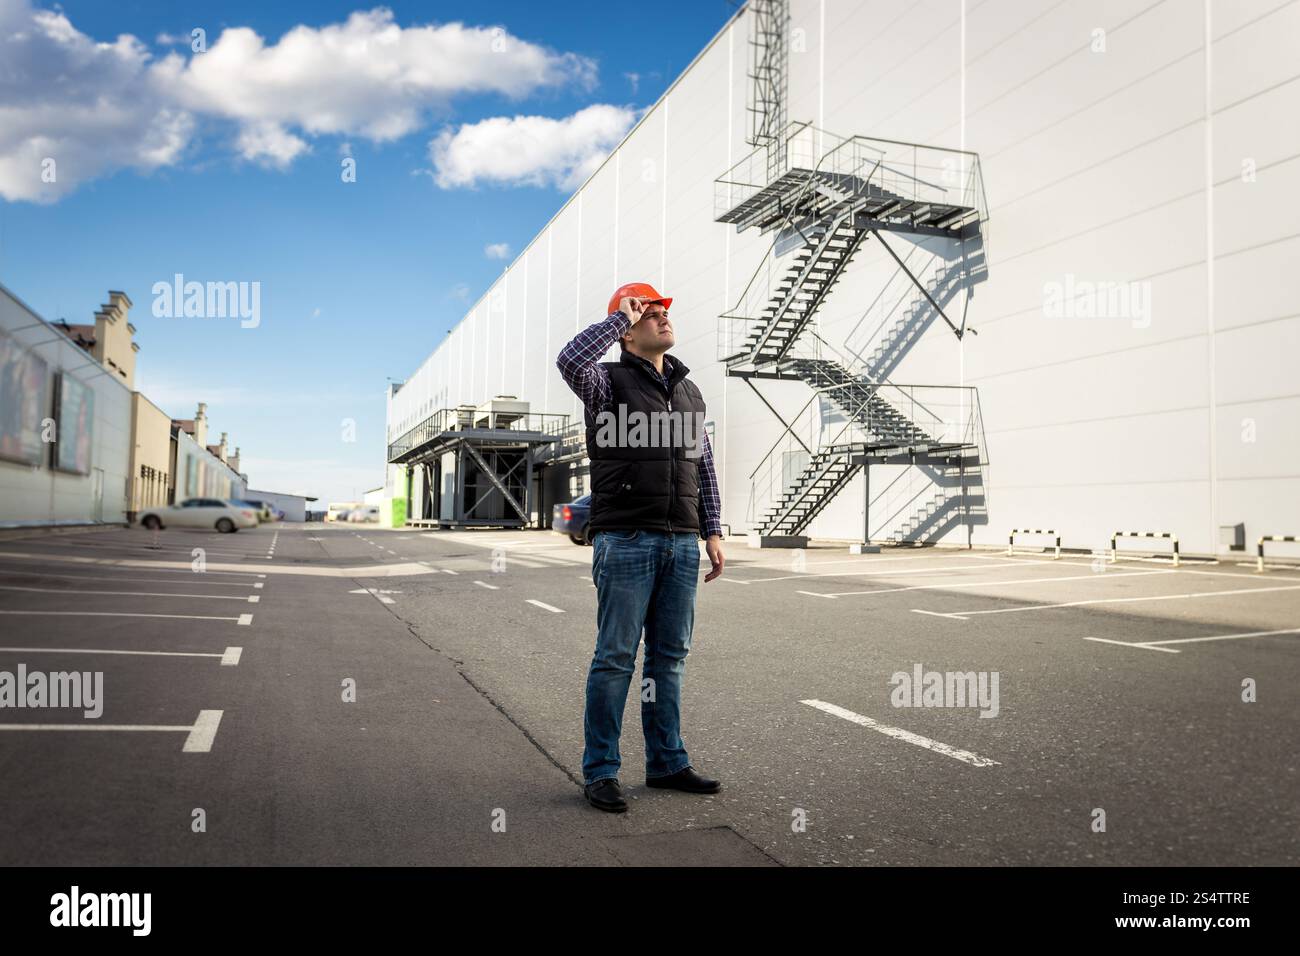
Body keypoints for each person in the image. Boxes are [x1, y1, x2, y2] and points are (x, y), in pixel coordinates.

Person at [556, 281, 725, 813]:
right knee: (616, 658)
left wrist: (713, 530)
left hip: (680, 541)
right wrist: (617, 318)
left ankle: (667, 763)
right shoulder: (606, 381)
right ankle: (601, 770)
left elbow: (704, 466)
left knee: (670, 658)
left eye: (663, 311)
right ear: (628, 330)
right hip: (626, 538)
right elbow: (568, 359)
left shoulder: (688, 391)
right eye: (649, 312)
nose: (662, 318)